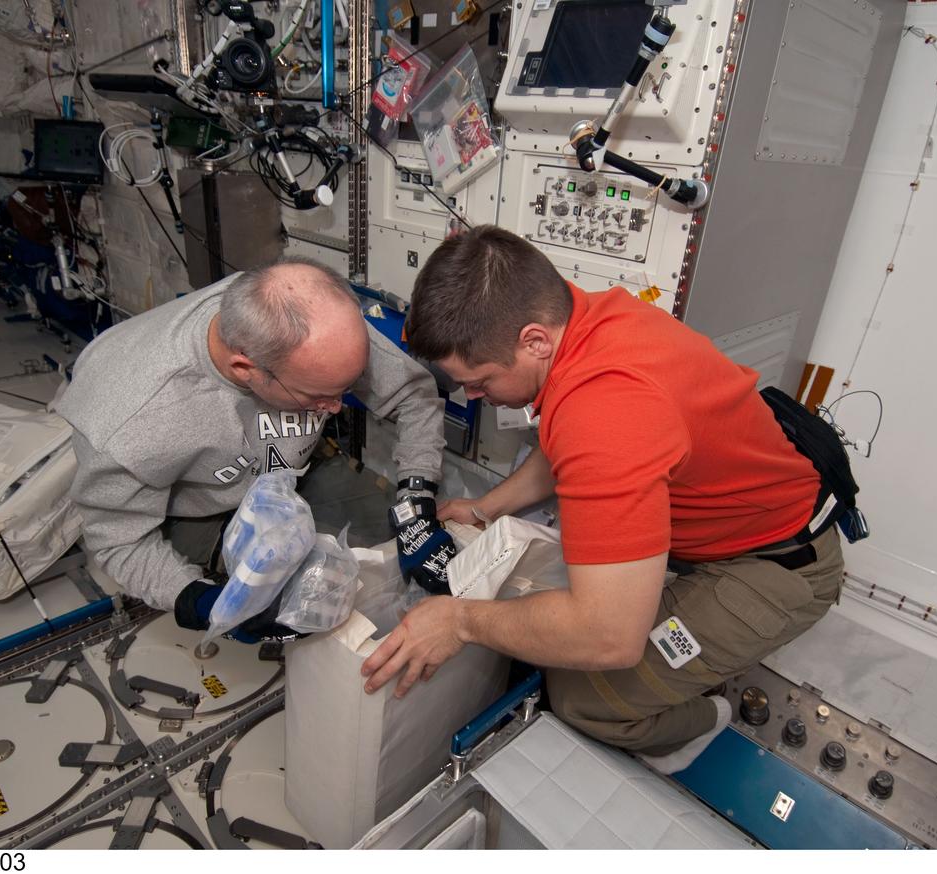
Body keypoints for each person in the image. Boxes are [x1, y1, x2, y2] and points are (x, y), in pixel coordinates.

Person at [361, 226, 845, 773]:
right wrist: (485, 507)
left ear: (534, 341)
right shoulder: (590, 318)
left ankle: (701, 720)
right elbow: (562, 442)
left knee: (578, 696)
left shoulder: (607, 415)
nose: (474, 397)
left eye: (479, 382)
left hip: (773, 568)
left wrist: (459, 622)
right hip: (728, 526)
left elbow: (608, 637)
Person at [54, 257, 456, 641]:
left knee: (381, 560)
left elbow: (413, 397)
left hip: (293, 470)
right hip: (199, 509)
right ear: (244, 369)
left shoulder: (310, 316)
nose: (336, 409)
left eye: (344, 392)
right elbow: (118, 540)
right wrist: (201, 603)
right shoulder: (130, 424)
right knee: (294, 601)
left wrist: (415, 503)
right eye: (321, 396)